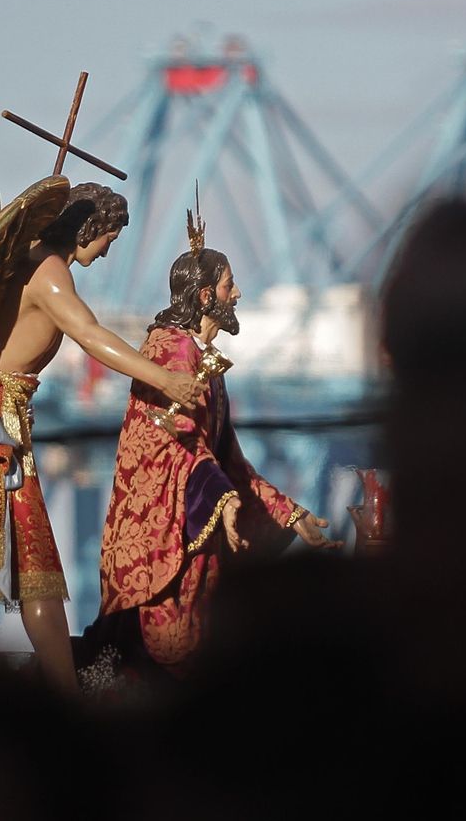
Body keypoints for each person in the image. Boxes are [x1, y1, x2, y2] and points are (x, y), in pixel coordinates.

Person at [0, 182, 202, 692]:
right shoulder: (50, 273)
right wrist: (163, 377)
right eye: (108, 240)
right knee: (34, 565)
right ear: (88, 228)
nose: (105, 255)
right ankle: (67, 698)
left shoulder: (19, 256)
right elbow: (91, 333)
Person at [83, 201, 335, 682]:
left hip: (200, 533)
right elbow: (169, 447)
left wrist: (291, 514)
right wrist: (220, 497)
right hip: (168, 544)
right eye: (227, 285)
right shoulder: (170, 354)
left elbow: (228, 458)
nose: (237, 294)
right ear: (204, 296)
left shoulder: (204, 360)